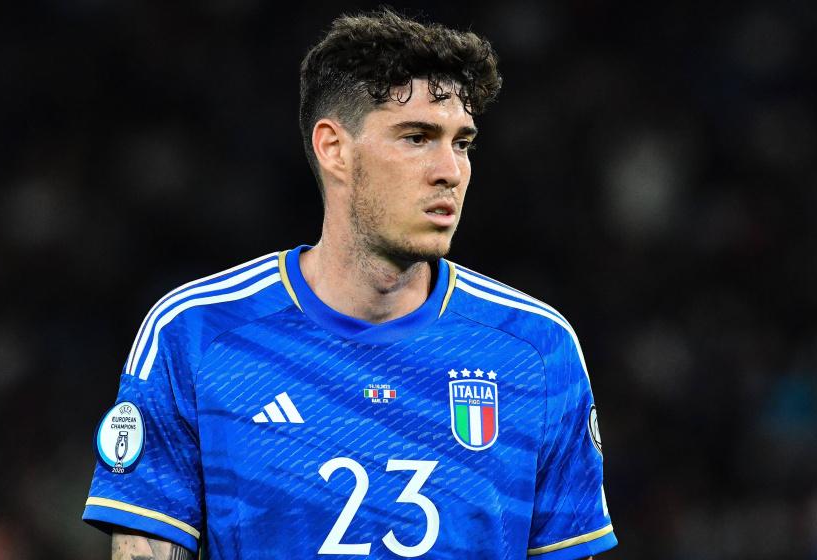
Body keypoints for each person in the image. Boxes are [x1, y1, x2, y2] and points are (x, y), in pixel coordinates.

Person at [83, 8, 616, 560]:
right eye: (417, 137)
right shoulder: (196, 335)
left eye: (462, 143)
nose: (451, 171)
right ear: (333, 148)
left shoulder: (534, 349)